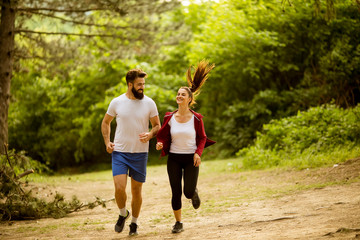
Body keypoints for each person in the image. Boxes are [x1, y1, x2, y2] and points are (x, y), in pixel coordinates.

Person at [156, 60, 216, 233]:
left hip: (191, 159)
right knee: (176, 191)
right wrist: (161, 144)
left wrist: (198, 153)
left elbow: (203, 138)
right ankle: (178, 222)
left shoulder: (197, 118)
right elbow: (164, 137)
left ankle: (193, 192)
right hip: (174, 158)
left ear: (189, 99)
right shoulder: (169, 117)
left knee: (187, 192)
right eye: (178, 94)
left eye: (183, 95)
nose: (179, 96)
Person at [101, 68, 160, 236]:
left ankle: (134, 223)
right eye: (139, 84)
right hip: (120, 152)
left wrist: (150, 134)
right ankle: (122, 213)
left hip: (140, 153)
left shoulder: (149, 103)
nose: (142, 87)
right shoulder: (117, 102)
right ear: (130, 84)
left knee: (136, 191)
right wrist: (107, 142)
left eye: (143, 84)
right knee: (119, 188)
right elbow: (106, 122)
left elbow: (157, 125)